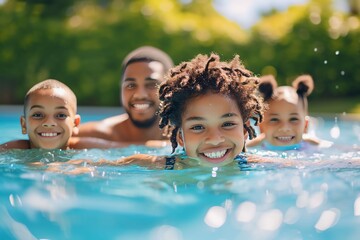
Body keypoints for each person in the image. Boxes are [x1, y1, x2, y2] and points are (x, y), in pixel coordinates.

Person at [74, 46, 174, 146]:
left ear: (170, 89)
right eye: (131, 85)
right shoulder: (93, 135)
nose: (140, 95)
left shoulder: (182, 137)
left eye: (152, 84)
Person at [246, 74, 332, 150]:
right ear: (261, 126)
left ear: (305, 125)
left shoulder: (312, 144)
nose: (285, 128)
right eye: (274, 119)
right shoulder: (253, 147)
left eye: (293, 119)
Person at [0, 79, 81, 150]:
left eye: (61, 115)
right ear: (24, 124)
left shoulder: (86, 154)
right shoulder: (9, 151)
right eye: (38, 115)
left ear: (75, 124)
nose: (49, 123)